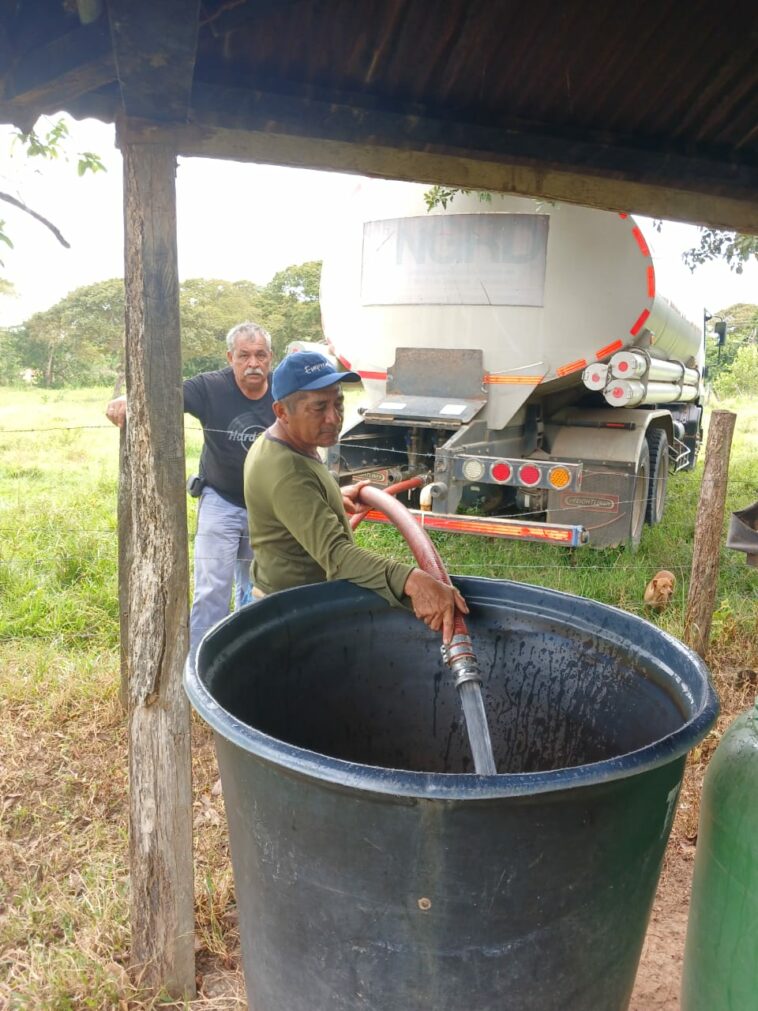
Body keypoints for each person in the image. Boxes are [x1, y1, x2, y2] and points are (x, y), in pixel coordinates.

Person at [243, 351, 467, 642]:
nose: (334, 417)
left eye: (338, 403)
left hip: (294, 599)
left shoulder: (283, 444)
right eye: (319, 407)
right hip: (290, 615)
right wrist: (413, 580)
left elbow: (297, 499)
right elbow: (337, 556)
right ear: (282, 411)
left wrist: (331, 496)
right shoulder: (286, 470)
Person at [106, 321, 275, 669]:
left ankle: (249, 667)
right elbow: (164, 393)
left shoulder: (282, 391)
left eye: (260, 355)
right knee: (212, 590)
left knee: (259, 591)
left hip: (268, 507)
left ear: (270, 358)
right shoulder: (211, 387)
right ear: (230, 357)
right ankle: (203, 672)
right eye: (244, 355)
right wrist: (127, 399)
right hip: (221, 500)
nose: (253, 363)